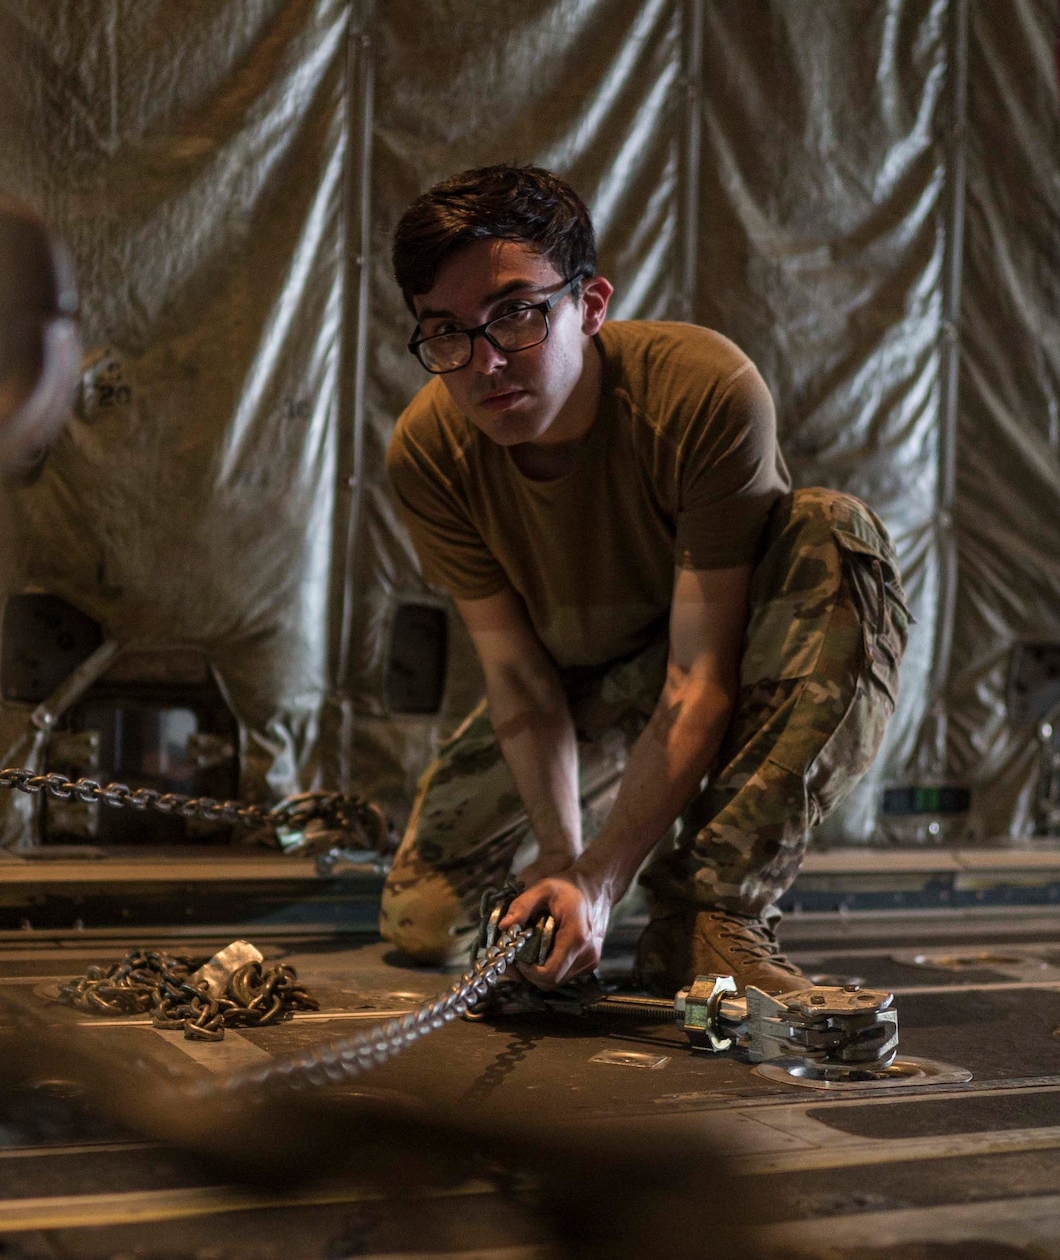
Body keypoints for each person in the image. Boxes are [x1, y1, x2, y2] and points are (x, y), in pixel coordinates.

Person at [379, 164, 909, 998]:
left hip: (720, 656)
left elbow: (699, 679)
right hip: (574, 680)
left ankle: (711, 913)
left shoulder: (705, 394)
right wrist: (564, 866)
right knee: (427, 917)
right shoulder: (428, 454)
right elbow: (519, 678)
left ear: (589, 307)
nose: (482, 364)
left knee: (834, 537)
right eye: (445, 332)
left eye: (514, 314)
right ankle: (576, 906)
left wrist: (602, 877)